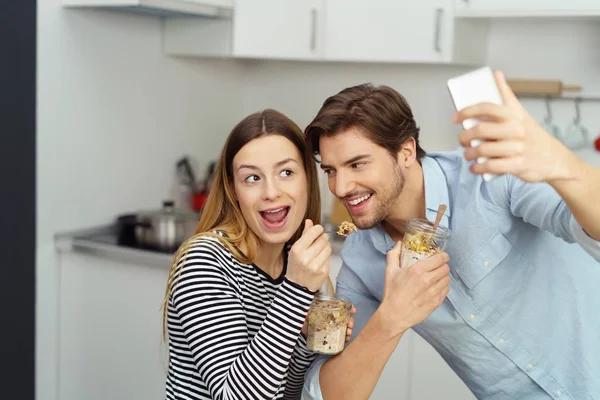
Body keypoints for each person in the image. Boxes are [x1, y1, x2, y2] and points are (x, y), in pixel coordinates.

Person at [301, 71, 600, 400]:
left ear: (405, 152)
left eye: (357, 164)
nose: (340, 188)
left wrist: (562, 164)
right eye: (330, 171)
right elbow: (331, 395)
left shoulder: (487, 178)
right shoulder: (361, 261)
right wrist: (391, 318)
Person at [160, 109, 346, 400]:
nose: (271, 192)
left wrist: (304, 335)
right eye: (251, 178)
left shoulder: (295, 263)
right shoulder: (204, 260)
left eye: (286, 172)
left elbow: (287, 393)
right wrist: (295, 292)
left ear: (307, 180)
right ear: (233, 190)